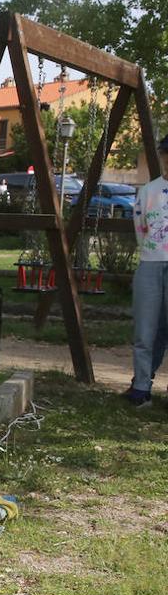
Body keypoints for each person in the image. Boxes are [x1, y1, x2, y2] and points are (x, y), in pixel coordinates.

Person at [122, 135, 168, 407]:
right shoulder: (148, 191)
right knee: (145, 328)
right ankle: (141, 386)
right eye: (165, 157)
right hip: (150, 263)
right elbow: (140, 228)